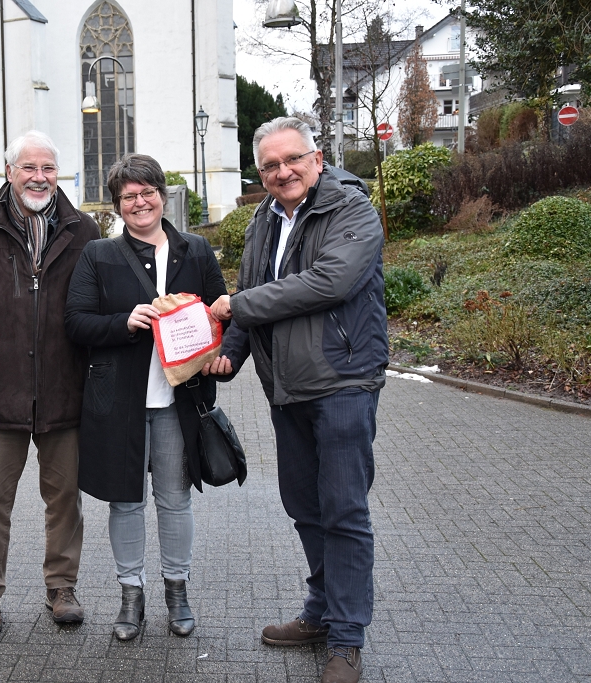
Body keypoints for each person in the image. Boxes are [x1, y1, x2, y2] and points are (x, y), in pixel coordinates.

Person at [207, 117, 388, 683]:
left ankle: (347, 637)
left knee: (344, 510)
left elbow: (328, 283)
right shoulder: (265, 218)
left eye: (292, 160)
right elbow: (252, 287)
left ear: (317, 157)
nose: (282, 172)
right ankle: (320, 611)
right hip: (285, 387)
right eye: (269, 166)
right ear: (259, 173)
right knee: (304, 506)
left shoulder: (351, 209)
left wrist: (238, 309)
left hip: (341, 380)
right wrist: (231, 353)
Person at [0, 130, 100, 635]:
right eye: (29, 168)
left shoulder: (84, 230)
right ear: (9, 173)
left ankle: (61, 586)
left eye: (48, 168)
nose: (39, 177)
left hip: (65, 390)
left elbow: (96, 312)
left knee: (65, 498)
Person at [65, 154, 229, 641]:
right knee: (126, 502)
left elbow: (222, 314)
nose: (140, 202)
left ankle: (177, 590)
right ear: (118, 206)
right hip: (120, 401)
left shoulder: (196, 251)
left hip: (180, 401)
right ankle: (130, 594)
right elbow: (74, 322)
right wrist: (122, 322)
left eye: (148, 192)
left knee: (176, 501)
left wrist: (223, 354)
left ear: (161, 194)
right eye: (129, 196)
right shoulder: (99, 255)